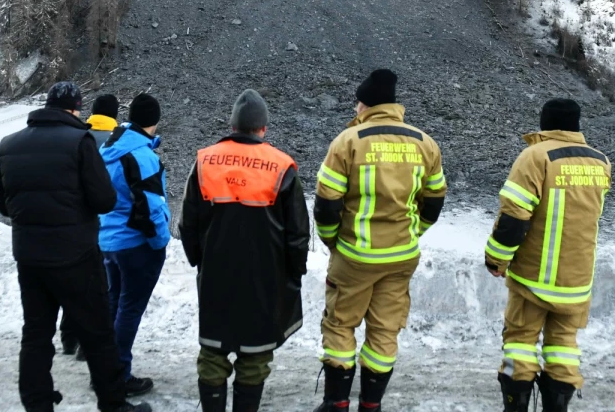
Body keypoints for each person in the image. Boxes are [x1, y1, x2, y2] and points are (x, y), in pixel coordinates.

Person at [0, 81, 150, 412]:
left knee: (36, 334)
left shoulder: (9, 145)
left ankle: (37, 404)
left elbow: (5, 206)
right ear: (76, 109)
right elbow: (104, 199)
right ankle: (114, 404)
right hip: (75, 256)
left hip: (28, 257)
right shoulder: (80, 142)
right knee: (97, 333)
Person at [312, 69, 447, 412]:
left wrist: (333, 241)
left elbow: (327, 205)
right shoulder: (425, 143)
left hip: (355, 254)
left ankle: (337, 403)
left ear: (365, 104)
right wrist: (414, 232)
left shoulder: (348, 142)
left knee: (340, 324)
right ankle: (371, 405)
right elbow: (434, 201)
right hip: (402, 256)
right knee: (385, 330)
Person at [179, 89, 310, 412]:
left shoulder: (205, 161)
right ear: (263, 128)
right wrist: (294, 273)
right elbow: (298, 234)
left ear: (232, 125)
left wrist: (201, 262)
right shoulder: (282, 166)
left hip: (216, 276)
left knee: (213, 353)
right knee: (255, 356)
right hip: (264, 279)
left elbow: (188, 224)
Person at [487, 99, 610, 412]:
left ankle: (516, 405)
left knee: (519, 344)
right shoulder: (601, 162)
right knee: (563, 349)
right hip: (577, 281)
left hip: (534, 278)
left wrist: (496, 259)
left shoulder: (535, 157)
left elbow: (513, 219)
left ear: (545, 123)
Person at [97, 92, 171, 398]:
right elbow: (151, 206)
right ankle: (118, 377)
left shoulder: (108, 148)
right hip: (135, 244)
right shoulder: (142, 155)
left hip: (108, 241)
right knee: (128, 309)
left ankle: (104, 373)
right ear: (154, 121)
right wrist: (160, 242)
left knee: (115, 304)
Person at [61, 93, 122, 360]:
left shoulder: (77, 137)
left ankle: (68, 336)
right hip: (106, 224)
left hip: (75, 221)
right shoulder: (117, 141)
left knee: (75, 281)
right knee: (100, 288)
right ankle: (89, 345)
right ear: (115, 114)